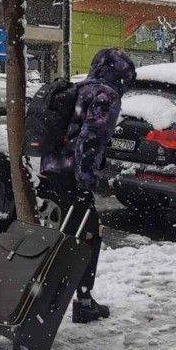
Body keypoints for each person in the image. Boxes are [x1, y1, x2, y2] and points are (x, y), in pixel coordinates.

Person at [35, 48, 136, 324]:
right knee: (87, 234)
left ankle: (54, 295)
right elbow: (90, 140)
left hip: (52, 169)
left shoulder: (80, 89)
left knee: (70, 235)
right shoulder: (106, 96)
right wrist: (87, 180)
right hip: (72, 173)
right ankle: (78, 301)